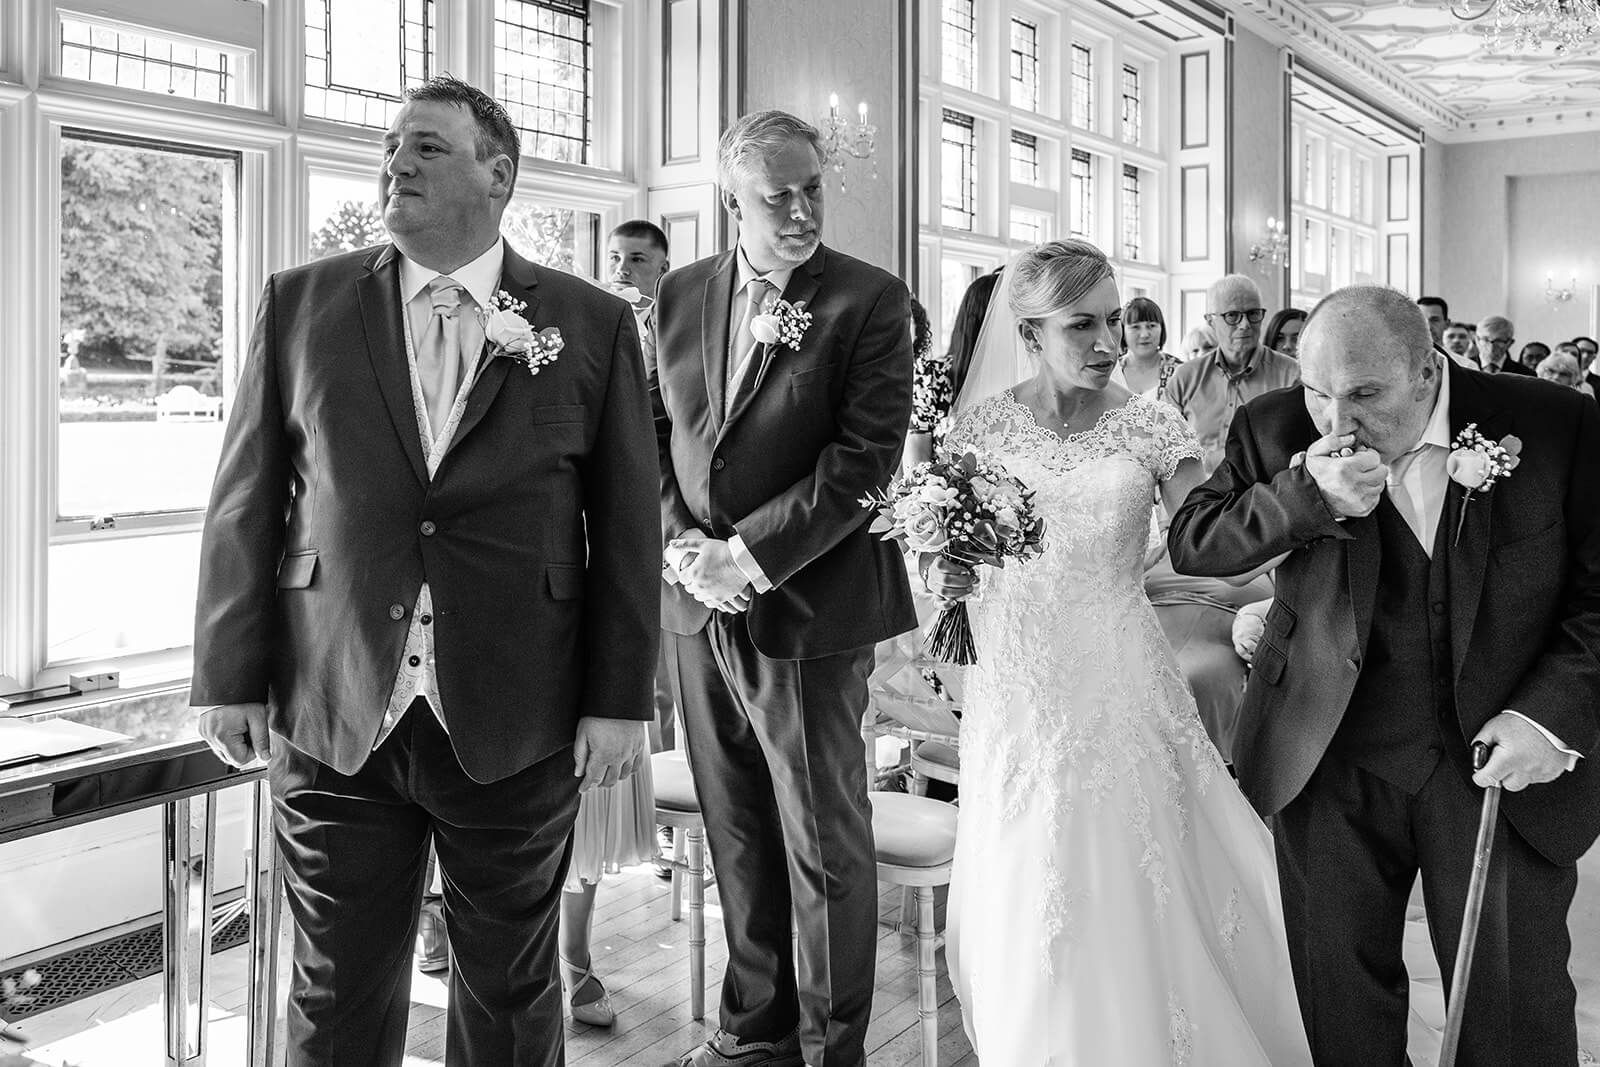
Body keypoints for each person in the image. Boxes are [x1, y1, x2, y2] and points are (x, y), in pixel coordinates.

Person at [189, 76, 659, 1066]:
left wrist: (619, 696)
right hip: (336, 703)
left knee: (512, 991)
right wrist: (228, 675)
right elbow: (244, 499)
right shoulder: (301, 303)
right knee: (333, 993)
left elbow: (622, 526)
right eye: (392, 144)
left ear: (499, 174)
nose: (396, 159)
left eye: (427, 146)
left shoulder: (590, 320)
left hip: (517, 708)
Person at [1169, 285, 1600, 1066]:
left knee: (1512, 1009)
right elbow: (1196, 540)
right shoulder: (1273, 429)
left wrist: (1549, 717)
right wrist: (1300, 495)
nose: (1337, 421)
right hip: (1325, 755)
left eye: (1366, 394)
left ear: (1429, 373)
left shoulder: (1554, 424)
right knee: (1342, 1007)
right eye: (1317, 391)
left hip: (1495, 763)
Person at [925, 239, 1312, 1065]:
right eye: (1082, 325)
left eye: (1113, 319)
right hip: (1016, 683)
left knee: (1128, 864)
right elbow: (940, 545)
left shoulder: (1149, 424)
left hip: (1119, 675)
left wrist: (1302, 497)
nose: (1108, 342)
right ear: (1028, 333)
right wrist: (944, 563)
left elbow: (1216, 539)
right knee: (1028, 868)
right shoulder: (980, 424)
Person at [650, 109, 916, 1067]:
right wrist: (685, 547)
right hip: (695, 608)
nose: (802, 209)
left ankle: (831, 1042)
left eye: (812, 188)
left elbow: (864, 459)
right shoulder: (678, 296)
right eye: (779, 194)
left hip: (807, 607)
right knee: (737, 827)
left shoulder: (871, 301)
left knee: (822, 839)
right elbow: (657, 433)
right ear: (731, 199)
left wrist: (747, 557)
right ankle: (754, 1029)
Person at [1163, 274, 1301, 475]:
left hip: (1263, 497)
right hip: (1196, 495)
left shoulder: (1291, 376)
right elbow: (1165, 452)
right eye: (1233, 316)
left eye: (1253, 313)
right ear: (1210, 321)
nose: (1245, 324)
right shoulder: (1185, 378)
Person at [1111, 295, 1180, 398]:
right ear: (1122, 331)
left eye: (1151, 326)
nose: (1144, 334)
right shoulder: (1110, 371)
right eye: (1135, 327)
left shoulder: (1179, 372)